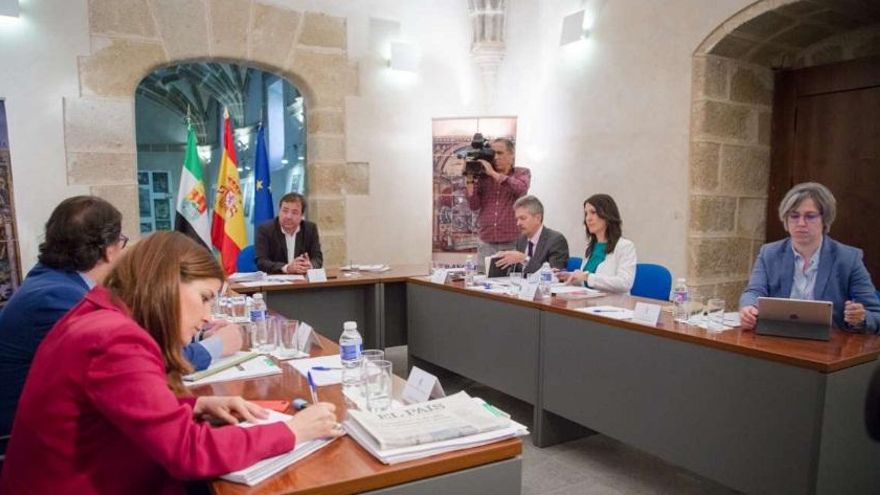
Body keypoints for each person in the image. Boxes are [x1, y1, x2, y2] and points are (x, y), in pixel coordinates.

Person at [0, 232, 343, 494]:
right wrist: (292, 431)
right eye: (204, 298)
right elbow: (187, 453)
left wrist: (193, 406)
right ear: (167, 283)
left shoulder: (101, 312)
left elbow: (118, 406)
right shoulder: (116, 339)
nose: (207, 317)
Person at [0, 197, 239, 444]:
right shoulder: (57, 299)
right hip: (30, 441)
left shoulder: (50, 283)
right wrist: (215, 346)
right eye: (122, 242)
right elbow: (137, 361)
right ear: (109, 250)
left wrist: (196, 337)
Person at [739, 182, 880, 332]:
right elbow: (754, 291)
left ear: (825, 220)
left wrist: (861, 318)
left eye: (810, 216)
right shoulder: (769, 253)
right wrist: (749, 308)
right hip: (777, 336)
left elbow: (876, 314)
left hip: (829, 342)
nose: (801, 223)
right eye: (794, 216)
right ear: (785, 219)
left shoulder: (848, 259)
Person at [465, 138, 531, 270]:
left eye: (500, 153)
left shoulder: (521, 173)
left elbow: (521, 189)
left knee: (512, 280)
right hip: (486, 242)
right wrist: (469, 179)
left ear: (512, 155)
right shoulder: (483, 177)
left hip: (512, 241)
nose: (495, 157)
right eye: (493, 153)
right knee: (482, 280)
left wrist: (493, 174)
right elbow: (474, 205)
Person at [560, 194, 637, 293]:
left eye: (593, 212)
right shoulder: (591, 247)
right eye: (586, 214)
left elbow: (625, 283)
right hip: (589, 300)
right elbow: (587, 283)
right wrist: (572, 277)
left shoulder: (625, 246)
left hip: (614, 302)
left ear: (607, 215)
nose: (588, 218)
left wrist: (587, 276)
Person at [493, 195, 568, 275]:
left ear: (538, 218)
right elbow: (517, 272)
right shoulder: (521, 240)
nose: (518, 223)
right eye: (517, 219)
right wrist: (503, 260)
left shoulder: (556, 240)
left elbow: (555, 275)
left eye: (523, 218)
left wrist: (524, 259)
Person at [255, 192, 323, 274]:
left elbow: (318, 258)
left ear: (301, 216)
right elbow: (261, 262)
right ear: (279, 211)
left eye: (294, 212)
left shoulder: (310, 229)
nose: (288, 216)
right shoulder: (265, 230)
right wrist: (287, 268)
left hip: (302, 280)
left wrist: (309, 265)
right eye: (285, 211)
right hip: (275, 280)